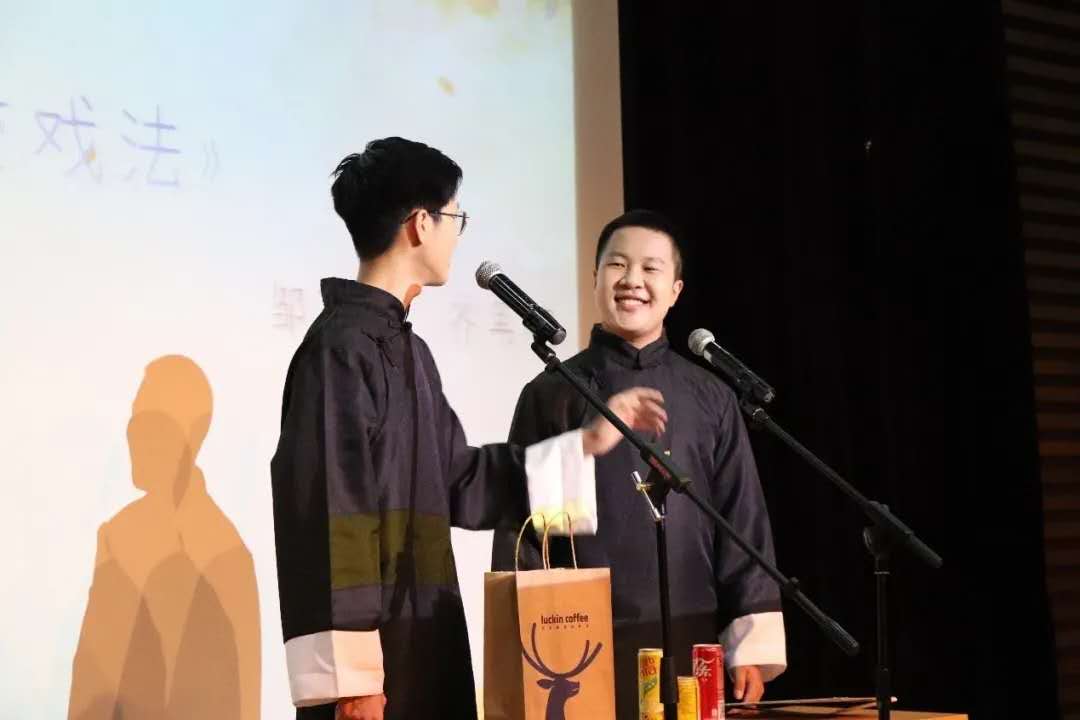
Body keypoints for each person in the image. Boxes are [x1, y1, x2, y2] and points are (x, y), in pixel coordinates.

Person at [270, 138, 667, 720]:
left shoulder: (410, 352)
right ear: (420, 223)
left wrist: (584, 445)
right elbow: (329, 512)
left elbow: (461, 479)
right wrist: (352, 680)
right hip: (372, 671)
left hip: (421, 636)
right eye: (455, 217)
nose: (458, 235)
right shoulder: (339, 350)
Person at [491, 209, 786, 717]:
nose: (632, 280)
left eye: (651, 268)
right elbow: (523, 531)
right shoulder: (552, 393)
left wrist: (751, 644)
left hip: (693, 637)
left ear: (675, 290)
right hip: (577, 646)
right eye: (617, 265)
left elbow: (742, 521)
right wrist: (527, 645)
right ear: (595, 278)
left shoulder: (711, 396)